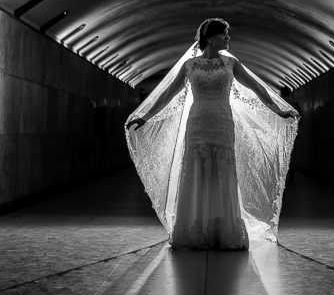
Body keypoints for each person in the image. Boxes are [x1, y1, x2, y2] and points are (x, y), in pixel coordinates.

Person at [125, 18, 299, 250]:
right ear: (210, 37)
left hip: (223, 123)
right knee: (196, 172)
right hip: (197, 123)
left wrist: (279, 110)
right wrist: (145, 116)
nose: (228, 38)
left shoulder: (231, 63)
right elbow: (167, 94)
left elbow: (257, 88)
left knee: (222, 173)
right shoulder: (190, 65)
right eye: (224, 34)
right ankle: (195, 230)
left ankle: (223, 229)